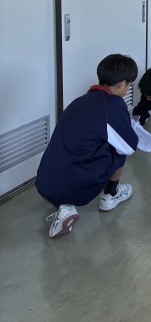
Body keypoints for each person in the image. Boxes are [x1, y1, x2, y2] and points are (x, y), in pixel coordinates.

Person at [36, 54, 139, 239]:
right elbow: (129, 146)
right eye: (129, 85)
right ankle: (111, 195)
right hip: (78, 182)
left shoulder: (80, 101)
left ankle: (63, 207)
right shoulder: (113, 104)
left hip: (44, 184)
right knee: (118, 149)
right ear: (122, 84)